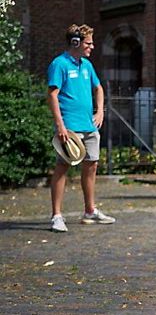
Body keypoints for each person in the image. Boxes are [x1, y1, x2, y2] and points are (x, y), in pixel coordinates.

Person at [46, 24, 115, 232]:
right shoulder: (59, 64)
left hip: (89, 125)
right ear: (75, 42)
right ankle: (56, 216)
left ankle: (89, 210)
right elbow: (52, 95)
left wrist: (100, 111)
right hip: (70, 127)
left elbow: (99, 88)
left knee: (92, 165)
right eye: (88, 43)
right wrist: (60, 125)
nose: (92, 47)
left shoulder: (86, 65)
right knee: (63, 167)